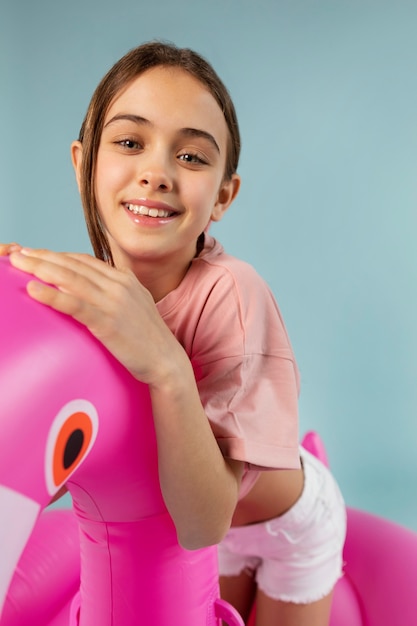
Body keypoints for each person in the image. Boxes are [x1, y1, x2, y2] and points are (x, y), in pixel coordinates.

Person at [1, 41, 346, 625]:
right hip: (202, 513)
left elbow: (202, 523)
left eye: (190, 157)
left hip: (283, 524)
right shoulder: (97, 292)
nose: (156, 172)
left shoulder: (231, 295)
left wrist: (166, 363)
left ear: (223, 197)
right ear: (84, 163)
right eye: (130, 142)